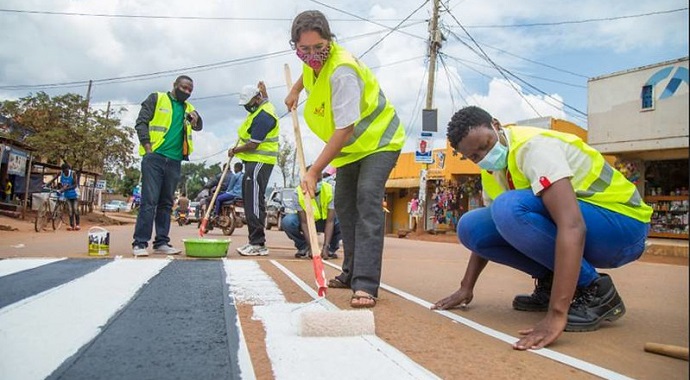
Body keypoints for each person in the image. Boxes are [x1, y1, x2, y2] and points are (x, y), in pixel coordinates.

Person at [432, 106, 652, 350]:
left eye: (485, 145)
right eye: (475, 156)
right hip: (587, 226)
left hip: (623, 226)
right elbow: (490, 230)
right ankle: (551, 283)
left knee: (509, 208)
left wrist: (557, 314)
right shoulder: (492, 171)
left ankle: (597, 290)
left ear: (496, 124)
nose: (484, 156)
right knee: (471, 227)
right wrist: (466, 287)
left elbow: (572, 225)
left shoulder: (534, 147)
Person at [285, 10, 406, 308]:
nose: (312, 55)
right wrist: (296, 89)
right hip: (352, 149)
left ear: (330, 41)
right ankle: (350, 271)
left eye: (318, 48)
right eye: (305, 49)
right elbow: (312, 73)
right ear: (296, 47)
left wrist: (314, 171)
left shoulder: (343, 71)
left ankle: (365, 284)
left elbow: (344, 128)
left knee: (367, 200)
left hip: (379, 142)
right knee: (345, 207)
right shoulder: (316, 64)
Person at [131, 75, 203, 257]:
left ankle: (161, 242)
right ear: (175, 85)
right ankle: (140, 243)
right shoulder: (157, 98)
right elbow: (141, 123)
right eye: (184, 88)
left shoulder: (189, 108)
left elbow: (198, 126)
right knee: (149, 201)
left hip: (175, 160)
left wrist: (196, 119)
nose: (186, 92)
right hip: (154, 157)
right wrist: (148, 148)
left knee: (166, 203)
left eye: (190, 90)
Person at [229, 81, 279, 256]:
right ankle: (253, 241)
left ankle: (258, 243)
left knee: (254, 201)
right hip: (253, 162)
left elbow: (254, 144)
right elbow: (266, 100)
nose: (247, 107)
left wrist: (235, 150)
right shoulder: (262, 107)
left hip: (260, 161)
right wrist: (265, 92)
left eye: (249, 104)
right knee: (249, 199)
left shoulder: (264, 116)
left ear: (256, 99)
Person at [282, 169, 341, 260]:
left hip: (325, 222)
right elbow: (304, 223)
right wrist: (312, 247)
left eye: (320, 180)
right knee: (287, 222)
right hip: (307, 222)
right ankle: (304, 246)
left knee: (344, 221)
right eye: (315, 181)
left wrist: (325, 246)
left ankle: (330, 248)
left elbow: (330, 221)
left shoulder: (330, 190)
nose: (318, 183)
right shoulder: (298, 193)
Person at [58, 163, 81, 231]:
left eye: (66, 170)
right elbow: (61, 184)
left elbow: (75, 185)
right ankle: (71, 225)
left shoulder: (73, 174)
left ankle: (77, 224)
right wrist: (61, 188)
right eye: (64, 170)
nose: (65, 171)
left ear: (69, 169)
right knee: (70, 211)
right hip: (67, 195)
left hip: (75, 195)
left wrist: (65, 188)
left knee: (75, 209)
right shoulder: (61, 174)